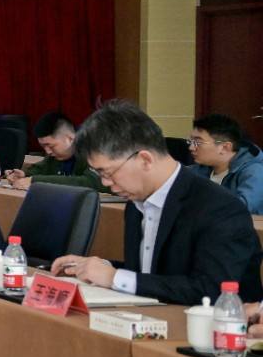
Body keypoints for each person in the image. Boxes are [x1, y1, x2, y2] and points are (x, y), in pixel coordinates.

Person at [50, 100, 263, 305]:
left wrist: (114, 277)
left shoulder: (220, 208)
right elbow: (152, 274)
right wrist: (96, 267)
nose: (105, 183)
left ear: (145, 159)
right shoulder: (137, 202)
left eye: (107, 172)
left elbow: (211, 290)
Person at [186, 113, 263, 215]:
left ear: (225, 147)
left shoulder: (255, 172)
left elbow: (240, 208)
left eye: (198, 142)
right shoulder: (196, 171)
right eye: (190, 141)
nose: (191, 147)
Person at [5, 111, 100, 191]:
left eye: (51, 146)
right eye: (43, 146)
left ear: (70, 138)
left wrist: (35, 181)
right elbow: (39, 170)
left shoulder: (94, 150)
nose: (48, 151)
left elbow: (91, 182)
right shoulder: (54, 157)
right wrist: (24, 175)